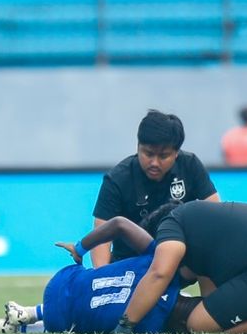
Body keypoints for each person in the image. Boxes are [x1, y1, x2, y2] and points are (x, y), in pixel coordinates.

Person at [0, 215, 247, 334]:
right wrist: (80, 246)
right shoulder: (160, 253)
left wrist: (81, 247)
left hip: (163, 299)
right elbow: (119, 226)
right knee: (204, 323)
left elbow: (120, 226)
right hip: (154, 300)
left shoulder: (176, 259)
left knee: (206, 325)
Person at [109, 200, 247, 334]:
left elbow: (159, 273)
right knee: (211, 319)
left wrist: (125, 325)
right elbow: (214, 305)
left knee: (198, 324)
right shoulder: (202, 228)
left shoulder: (170, 223)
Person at [91, 109, 220, 268]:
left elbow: (215, 214)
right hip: (130, 262)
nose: (154, 163)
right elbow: (101, 236)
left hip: (178, 258)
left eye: (163, 156)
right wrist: (100, 278)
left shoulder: (190, 165)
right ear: (138, 146)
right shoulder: (117, 179)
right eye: (148, 153)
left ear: (176, 153)